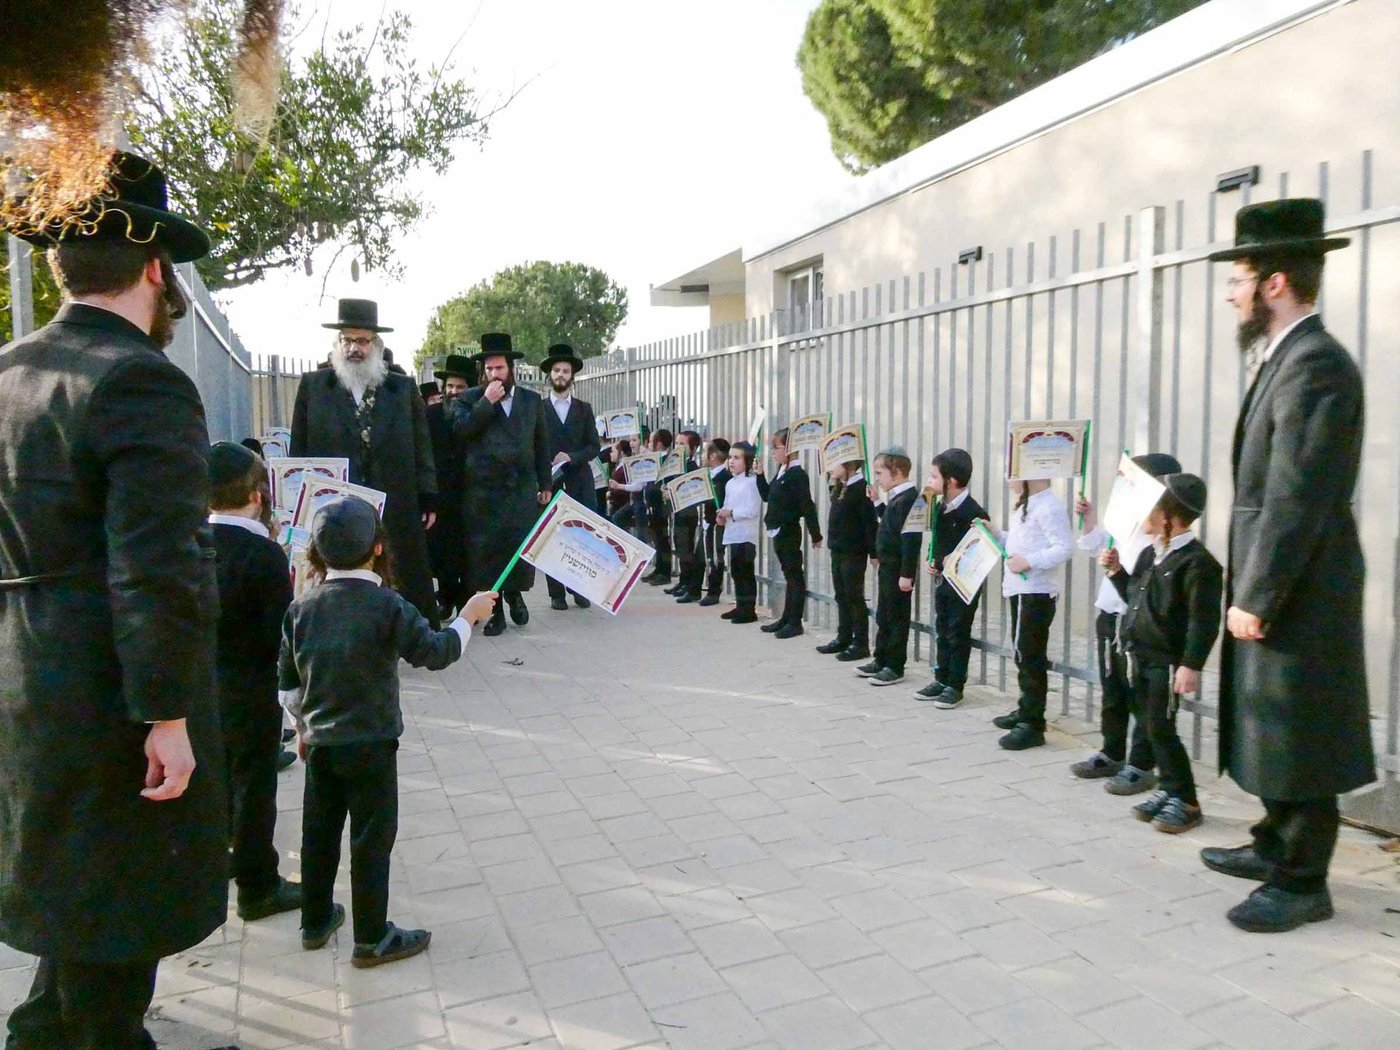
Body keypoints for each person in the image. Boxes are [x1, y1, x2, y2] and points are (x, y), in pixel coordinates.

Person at [0, 151, 234, 1050]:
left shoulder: (11, 368)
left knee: (68, 914)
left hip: (27, 681)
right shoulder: (139, 379)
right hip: (110, 701)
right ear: (154, 268)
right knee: (111, 943)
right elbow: (158, 568)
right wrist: (167, 714)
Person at [1202, 198, 1372, 933]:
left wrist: (1258, 593)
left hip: (1300, 584)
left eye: (1239, 278)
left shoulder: (1318, 365)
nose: (1232, 292)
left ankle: (1304, 882)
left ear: (1275, 283)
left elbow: (1298, 495)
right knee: (1271, 722)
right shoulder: (1286, 357)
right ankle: (1275, 843)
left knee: (1300, 729)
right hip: (1277, 578)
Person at [278, 497, 496, 967]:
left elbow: (289, 681)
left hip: (321, 743)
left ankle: (314, 921)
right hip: (372, 743)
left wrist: (301, 728)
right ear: (379, 547)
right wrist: (468, 616)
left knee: (318, 832)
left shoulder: (302, 609)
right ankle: (371, 936)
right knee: (371, 839)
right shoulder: (387, 605)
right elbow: (436, 652)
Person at [290, 298, 440, 626]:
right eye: (347, 340)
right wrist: (295, 500)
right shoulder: (314, 388)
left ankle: (406, 632)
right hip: (335, 504)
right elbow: (298, 449)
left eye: (361, 340)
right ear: (337, 344)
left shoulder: (401, 388)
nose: (354, 348)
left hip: (393, 498)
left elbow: (421, 445)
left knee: (397, 568)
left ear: (375, 345)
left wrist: (428, 495)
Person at [206, 442, 302, 921]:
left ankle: (213, 862)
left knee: (215, 780)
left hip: (201, 688)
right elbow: (280, 634)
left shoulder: (190, 543)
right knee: (255, 788)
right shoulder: (263, 555)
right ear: (258, 496)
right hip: (250, 690)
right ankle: (257, 885)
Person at [1101, 473, 1222, 834]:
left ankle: (1186, 799)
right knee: (1151, 728)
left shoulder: (1198, 564)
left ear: (1170, 516)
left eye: (1151, 507)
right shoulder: (1149, 555)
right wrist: (1117, 573)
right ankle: (1168, 789)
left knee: (1161, 729)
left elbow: (1203, 621)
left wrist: (1190, 665)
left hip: (1166, 662)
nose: (1143, 514)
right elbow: (1135, 599)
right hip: (1139, 656)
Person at [1069, 452, 1182, 792]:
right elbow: (1098, 545)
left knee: (1142, 698)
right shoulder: (1126, 518)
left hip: (1141, 624)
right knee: (1113, 690)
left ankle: (1141, 764)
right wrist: (1089, 521)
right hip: (1111, 614)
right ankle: (1112, 751)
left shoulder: (1163, 530)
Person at [449, 333, 553, 637]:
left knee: (517, 548)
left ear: (512, 369)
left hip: (520, 490)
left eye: (500, 368)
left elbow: (541, 443)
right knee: (488, 553)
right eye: (490, 369)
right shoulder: (469, 399)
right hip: (483, 493)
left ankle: (515, 595)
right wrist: (486, 403)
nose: (495, 374)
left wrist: (545, 481)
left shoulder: (532, 401)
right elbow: (461, 432)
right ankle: (495, 612)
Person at [990, 474, 1074, 749]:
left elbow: (1063, 547)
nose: (1007, 478)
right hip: (1020, 589)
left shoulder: (1049, 506)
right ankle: (1026, 707)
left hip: (1036, 591)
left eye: (1013, 473)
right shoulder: (1027, 504)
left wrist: (1030, 562)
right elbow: (1019, 544)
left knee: (1030, 652)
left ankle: (1033, 723)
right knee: (1021, 651)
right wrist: (997, 534)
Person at [914, 449, 988, 708]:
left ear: (952, 481)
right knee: (942, 630)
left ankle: (955, 684)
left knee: (958, 632)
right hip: (944, 582)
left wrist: (953, 560)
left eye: (934, 477)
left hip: (964, 585)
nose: (929, 482)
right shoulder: (937, 506)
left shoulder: (974, 513)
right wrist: (932, 561)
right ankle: (941, 677)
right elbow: (936, 542)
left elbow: (979, 553)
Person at [539, 344, 601, 611]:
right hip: (550, 482)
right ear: (549, 375)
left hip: (580, 482)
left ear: (572, 376)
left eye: (565, 371)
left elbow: (594, 446)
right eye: (556, 370)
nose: (561, 375)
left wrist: (572, 457)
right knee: (553, 535)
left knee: (581, 536)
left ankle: (580, 588)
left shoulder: (584, 409)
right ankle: (556, 593)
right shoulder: (538, 409)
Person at [856, 449, 920, 686]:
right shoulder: (897, 497)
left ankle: (894, 665)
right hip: (888, 566)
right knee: (884, 614)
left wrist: (907, 574)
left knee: (896, 617)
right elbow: (891, 524)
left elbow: (911, 539)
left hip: (898, 569)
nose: (877, 478)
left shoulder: (911, 499)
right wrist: (876, 503)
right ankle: (880, 658)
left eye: (880, 472)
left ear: (897, 472)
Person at [755, 428, 823, 638]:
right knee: (788, 574)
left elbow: (807, 505)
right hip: (778, 531)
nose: (773, 452)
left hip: (789, 530)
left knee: (794, 576)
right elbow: (768, 496)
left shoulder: (797, 475)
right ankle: (786, 618)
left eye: (776, 447)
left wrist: (815, 534)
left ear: (789, 448)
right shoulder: (782, 472)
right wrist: (760, 476)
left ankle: (794, 622)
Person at [425, 353, 476, 619]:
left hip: (470, 492)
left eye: (460, 387)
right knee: (442, 552)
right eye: (450, 387)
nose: (454, 392)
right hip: (441, 494)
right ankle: (445, 599)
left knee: (468, 552)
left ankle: (467, 603)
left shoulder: (477, 415)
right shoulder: (431, 414)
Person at [817, 458, 877, 661]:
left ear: (849, 465)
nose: (830, 467)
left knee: (854, 596)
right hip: (838, 549)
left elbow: (869, 524)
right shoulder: (840, 487)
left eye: (835, 463)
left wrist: (874, 552)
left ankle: (860, 643)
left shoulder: (861, 488)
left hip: (853, 551)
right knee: (841, 595)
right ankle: (843, 636)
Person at [715, 442, 761, 624]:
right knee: (735, 571)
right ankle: (740, 605)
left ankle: (749, 610)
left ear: (747, 461)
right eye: (730, 457)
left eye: (737, 457)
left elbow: (752, 510)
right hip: (732, 533)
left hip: (746, 535)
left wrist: (732, 513)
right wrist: (722, 515)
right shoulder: (730, 483)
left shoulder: (751, 483)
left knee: (745, 572)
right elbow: (728, 505)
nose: (731, 461)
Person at [669, 430, 705, 603]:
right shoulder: (679, 465)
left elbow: (689, 491)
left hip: (688, 513)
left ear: (693, 448)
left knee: (686, 548)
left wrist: (672, 495)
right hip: (679, 511)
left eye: (682, 444)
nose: (678, 447)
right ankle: (683, 581)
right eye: (677, 443)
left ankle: (688, 582)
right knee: (679, 545)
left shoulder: (691, 467)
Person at [698, 438, 731, 607]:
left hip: (718, 523)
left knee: (716, 558)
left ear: (712, 456)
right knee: (708, 556)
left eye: (704, 453)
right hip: (708, 522)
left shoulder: (723, 477)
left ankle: (714, 591)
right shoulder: (708, 475)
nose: (702, 456)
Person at [641, 429, 676, 584]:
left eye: (652, 441)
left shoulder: (666, 461)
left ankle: (665, 572)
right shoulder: (654, 459)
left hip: (660, 505)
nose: (649, 444)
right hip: (652, 504)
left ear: (659, 443)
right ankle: (659, 568)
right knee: (656, 537)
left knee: (662, 538)